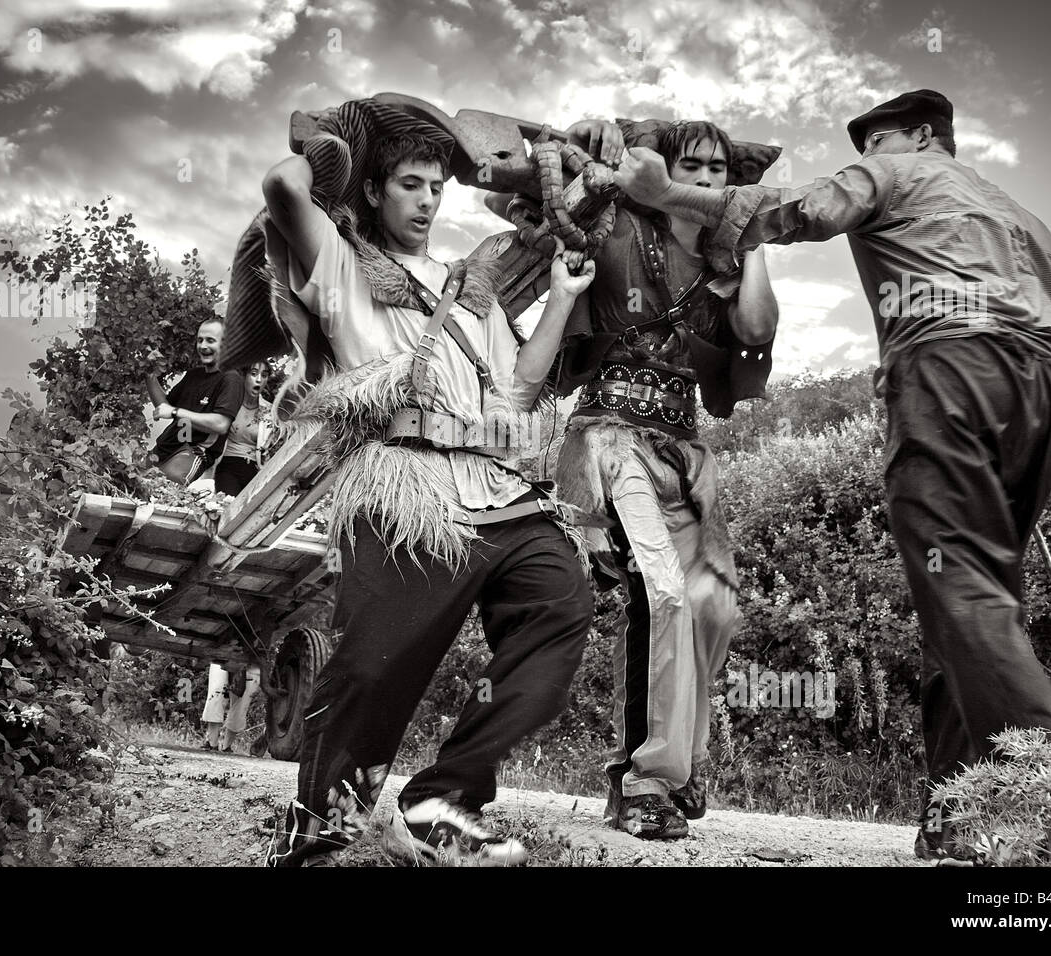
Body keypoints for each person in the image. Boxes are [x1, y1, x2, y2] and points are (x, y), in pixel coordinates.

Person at [613, 89, 1051, 859]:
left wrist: (665, 193)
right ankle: (958, 810)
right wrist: (1041, 414)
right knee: (969, 594)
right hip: (1043, 394)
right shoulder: (1024, 219)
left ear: (916, 136)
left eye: (875, 143)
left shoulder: (900, 174)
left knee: (960, 584)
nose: (867, 157)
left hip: (948, 370)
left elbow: (802, 205)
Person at [260, 122, 596, 867]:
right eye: (410, 183)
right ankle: (319, 834)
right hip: (406, 488)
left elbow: (520, 389)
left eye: (438, 187)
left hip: (497, 489)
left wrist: (565, 300)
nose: (428, 199)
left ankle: (444, 798)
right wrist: (331, 147)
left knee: (562, 602)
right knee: (372, 669)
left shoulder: (463, 287)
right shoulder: (344, 268)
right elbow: (284, 188)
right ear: (374, 191)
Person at [550, 118, 779, 839]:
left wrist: (754, 237)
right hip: (610, 439)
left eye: (721, 169)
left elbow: (757, 332)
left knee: (714, 605)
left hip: (685, 450)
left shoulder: (725, 265)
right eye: (695, 164)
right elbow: (565, 195)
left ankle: (675, 770)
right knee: (663, 589)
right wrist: (590, 142)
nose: (710, 177)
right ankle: (644, 780)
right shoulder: (623, 231)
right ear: (670, 169)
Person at [145, 318, 243, 484]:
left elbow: (220, 424)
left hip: (195, 451)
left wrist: (175, 412)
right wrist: (149, 375)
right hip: (165, 446)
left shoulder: (231, 379)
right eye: (200, 340)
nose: (203, 346)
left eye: (210, 340)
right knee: (130, 485)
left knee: (161, 488)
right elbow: (164, 407)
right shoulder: (193, 375)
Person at [214, 360, 273, 496]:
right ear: (244, 376)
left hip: (255, 471)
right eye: (253, 374)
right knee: (227, 507)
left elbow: (270, 447)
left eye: (264, 375)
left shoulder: (270, 411)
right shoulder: (228, 404)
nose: (259, 380)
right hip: (227, 466)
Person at [201, 661, 262, 752]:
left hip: (253, 664)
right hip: (220, 658)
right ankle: (211, 743)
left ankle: (227, 747)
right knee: (216, 696)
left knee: (241, 706)